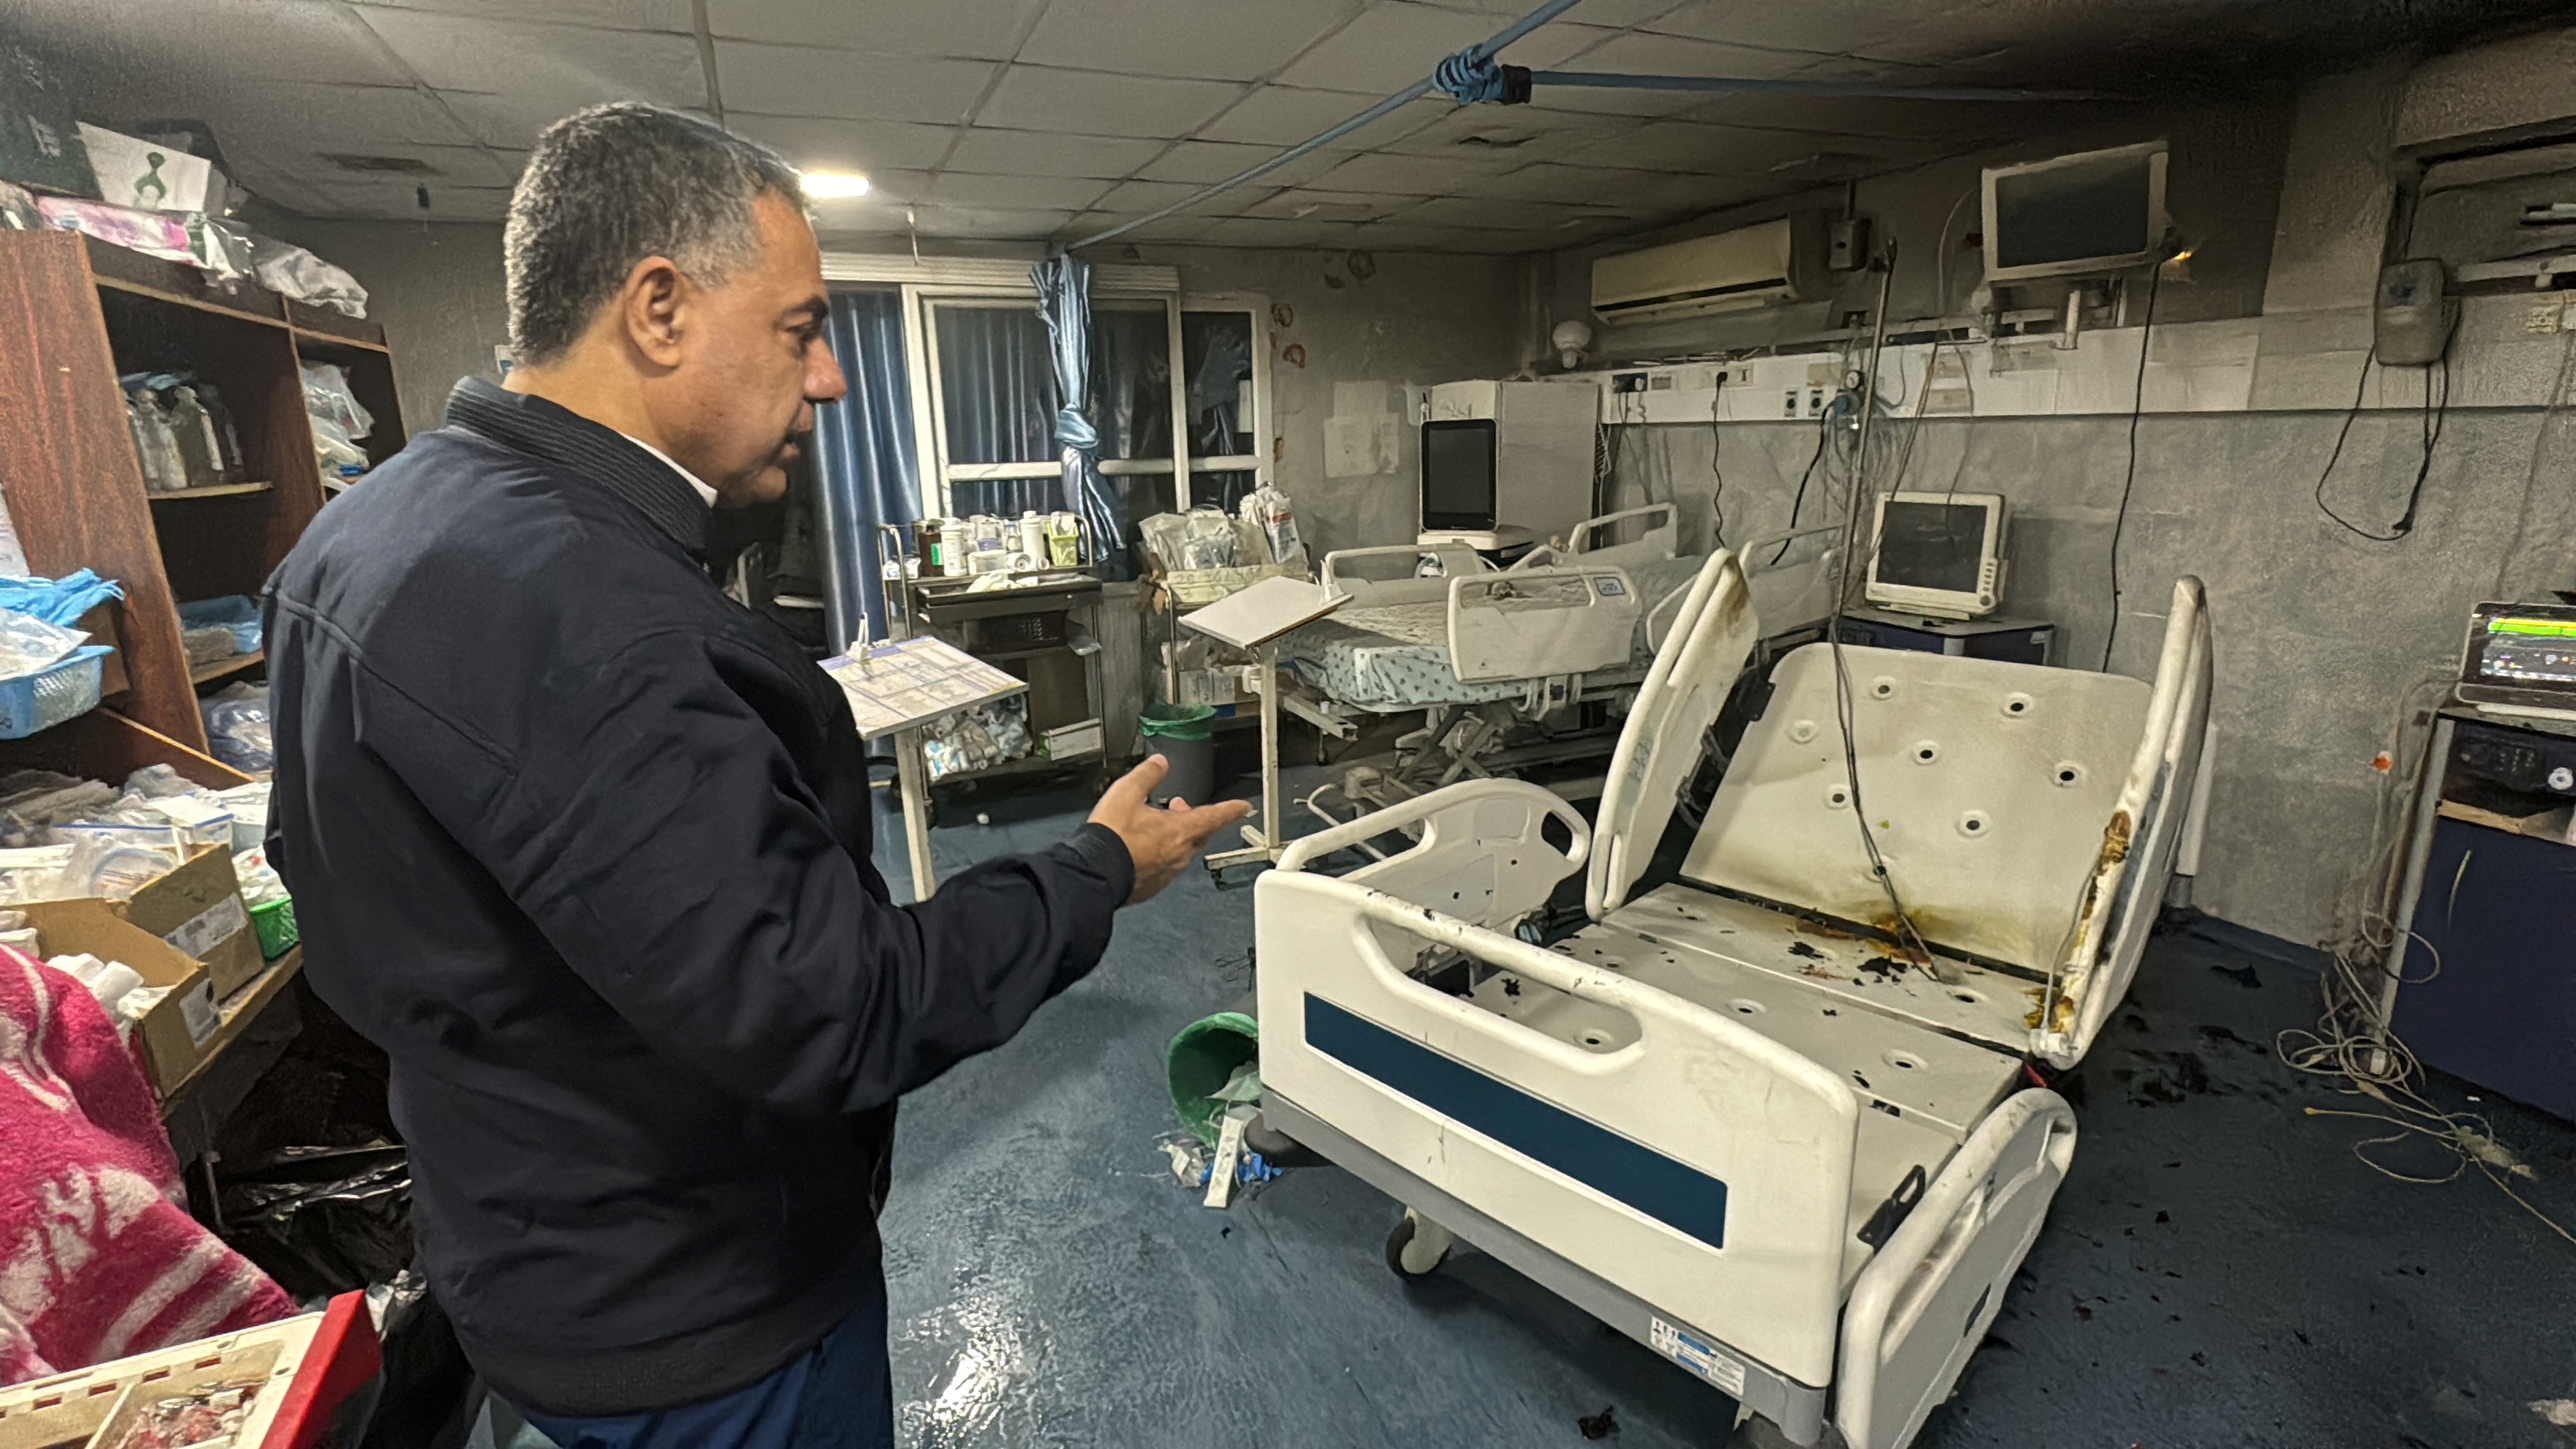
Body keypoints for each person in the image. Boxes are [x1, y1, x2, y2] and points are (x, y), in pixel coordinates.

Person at [262, 102, 1248, 1448]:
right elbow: (833, 1010)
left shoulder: (359, 536)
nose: (832, 379)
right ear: (658, 308)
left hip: (513, 1246)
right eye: (801, 327)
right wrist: (1094, 874)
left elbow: (333, 909)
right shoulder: (590, 615)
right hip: (703, 1323)